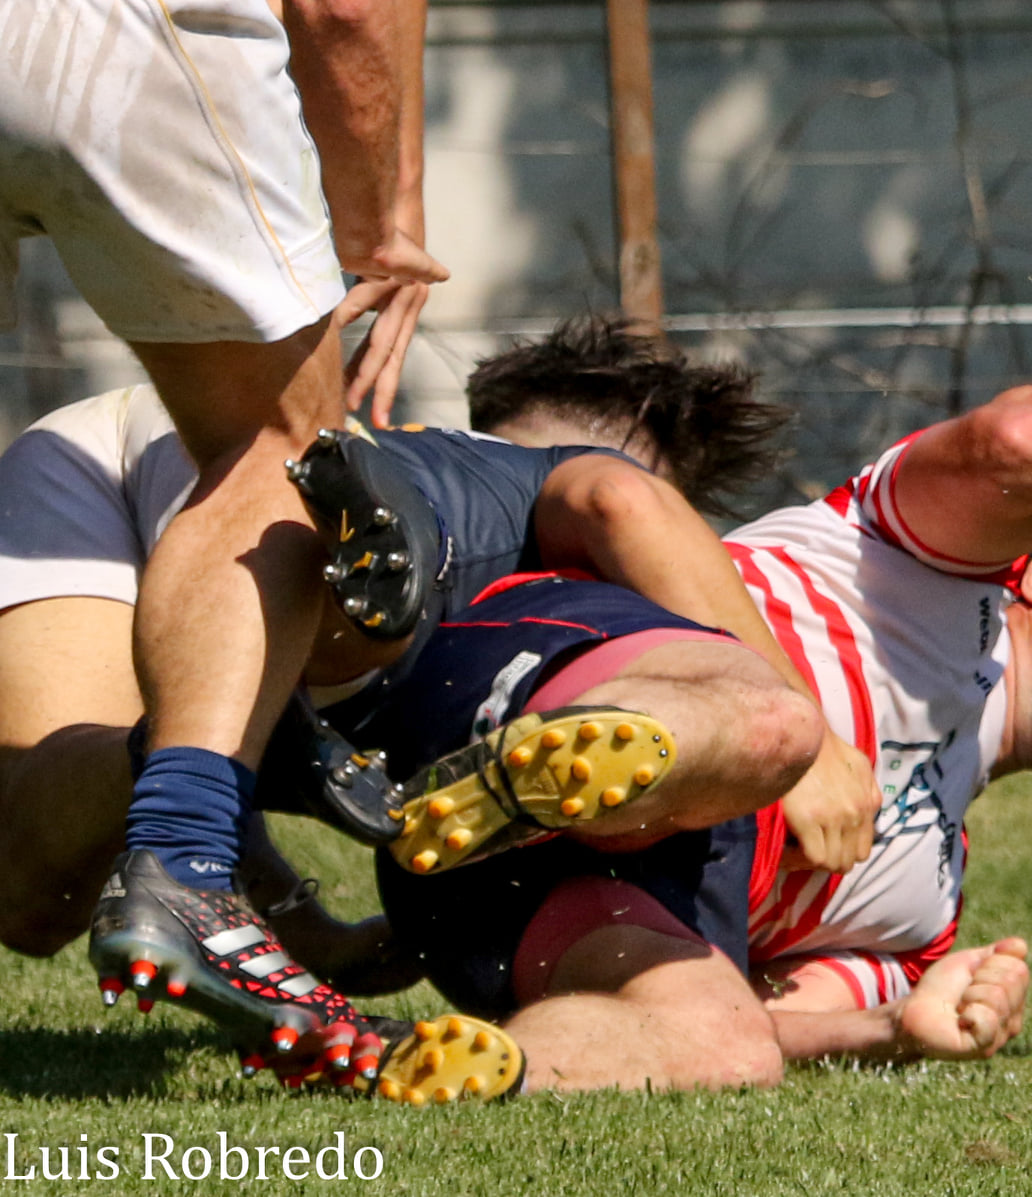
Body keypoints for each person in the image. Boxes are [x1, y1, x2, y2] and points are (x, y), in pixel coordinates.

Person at [333, 382, 1032, 1089]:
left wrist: (897, 1026)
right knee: (770, 726)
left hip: (521, 910)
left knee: (722, 1047)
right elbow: (1026, 435)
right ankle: (528, 776)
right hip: (540, 677)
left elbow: (783, 1021)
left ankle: (465, 1068)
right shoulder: (922, 570)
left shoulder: (925, 907)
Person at [0, 317, 819, 1099]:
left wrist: (323, 941)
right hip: (266, 477)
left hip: (94, 457)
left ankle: (216, 737)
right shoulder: (549, 487)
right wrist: (819, 742)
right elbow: (619, 498)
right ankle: (338, 618)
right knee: (369, 626)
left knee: (33, 897)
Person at [0, 0, 445, 1067]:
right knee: (289, 449)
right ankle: (190, 865)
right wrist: (379, 205)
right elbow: (346, 8)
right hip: (106, 37)